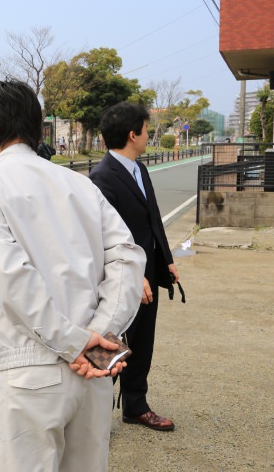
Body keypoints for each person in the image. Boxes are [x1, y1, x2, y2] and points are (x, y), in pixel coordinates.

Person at [0, 81, 146, 471]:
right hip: (94, 369)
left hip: (32, 367)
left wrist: (74, 343)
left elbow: (11, 279)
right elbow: (127, 257)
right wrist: (99, 338)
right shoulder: (80, 184)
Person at [89, 101, 181, 432]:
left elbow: (152, 219)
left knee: (142, 344)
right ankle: (92, 414)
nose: (147, 135)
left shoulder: (139, 169)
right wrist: (135, 276)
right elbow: (106, 236)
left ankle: (135, 406)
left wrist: (165, 261)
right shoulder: (102, 177)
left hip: (147, 274)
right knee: (110, 345)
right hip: (120, 279)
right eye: (145, 129)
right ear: (133, 134)